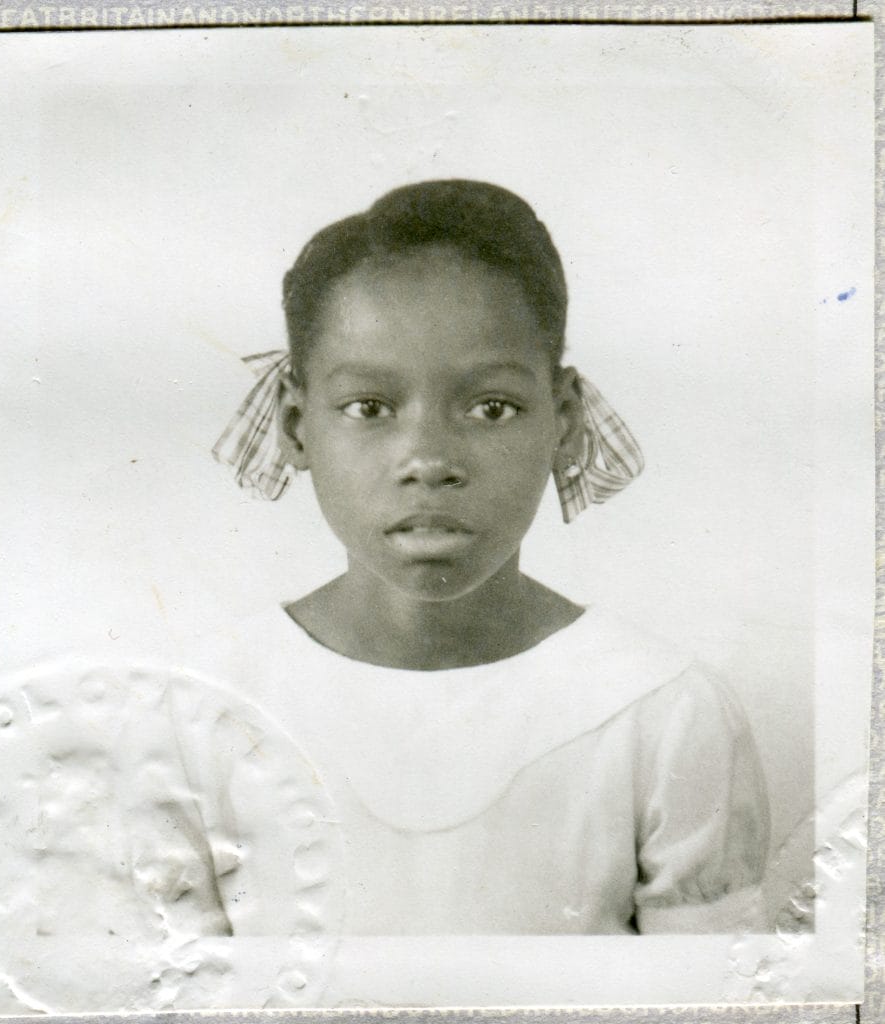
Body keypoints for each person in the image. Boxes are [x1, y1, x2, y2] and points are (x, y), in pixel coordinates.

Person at [206, 179, 770, 936]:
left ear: (562, 420)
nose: (428, 459)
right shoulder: (196, 710)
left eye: (489, 408)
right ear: (296, 425)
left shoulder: (661, 711)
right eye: (369, 409)